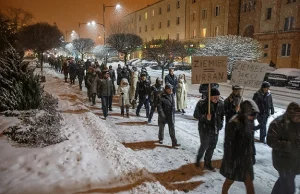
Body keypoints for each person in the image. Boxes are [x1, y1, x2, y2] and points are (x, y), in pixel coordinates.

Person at [220, 100, 259, 194]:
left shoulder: (249, 121)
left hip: (246, 159)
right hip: (235, 158)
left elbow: (250, 142)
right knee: (230, 180)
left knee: (249, 183)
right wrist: (229, 160)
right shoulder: (234, 123)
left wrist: (252, 155)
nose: (253, 117)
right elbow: (228, 143)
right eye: (251, 114)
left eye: (254, 115)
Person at [267, 102, 300, 194]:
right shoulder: (278, 123)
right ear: (290, 114)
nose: (298, 118)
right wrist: (287, 145)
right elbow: (270, 141)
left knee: (283, 182)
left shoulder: (298, 122)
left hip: (295, 161)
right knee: (289, 188)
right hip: (283, 161)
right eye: (296, 116)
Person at [194, 88, 224, 171]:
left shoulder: (221, 104)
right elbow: (196, 115)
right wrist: (204, 117)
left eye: (218, 96)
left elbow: (221, 116)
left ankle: (207, 163)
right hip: (204, 129)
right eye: (215, 97)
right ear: (210, 96)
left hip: (215, 129)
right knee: (204, 145)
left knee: (212, 147)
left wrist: (220, 124)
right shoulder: (202, 103)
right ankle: (198, 160)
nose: (217, 98)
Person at [157, 83, 181, 148]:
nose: (171, 90)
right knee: (161, 127)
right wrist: (162, 114)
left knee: (172, 128)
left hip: (170, 115)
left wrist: (173, 113)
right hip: (164, 115)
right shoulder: (161, 96)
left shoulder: (172, 95)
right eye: (169, 89)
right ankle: (161, 138)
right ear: (166, 89)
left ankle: (174, 142)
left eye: (171, 89)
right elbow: (159, 107)